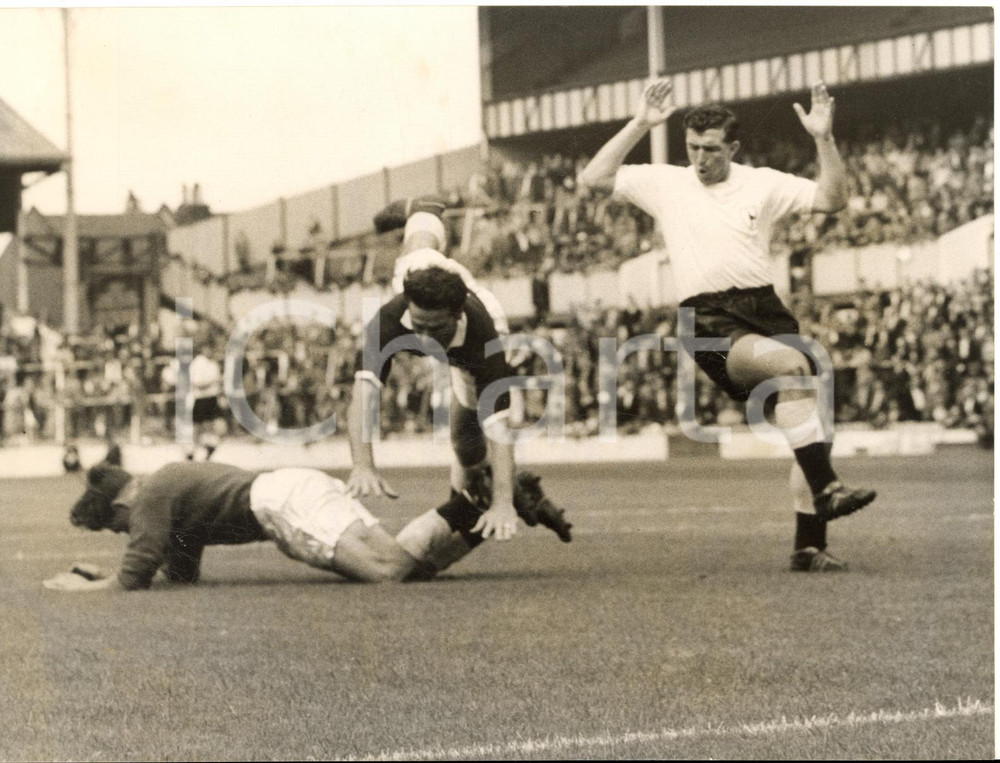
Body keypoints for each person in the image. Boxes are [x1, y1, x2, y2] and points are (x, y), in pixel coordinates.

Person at [578, 79, 876, 572]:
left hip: (764, 310)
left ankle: (808, 546)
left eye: (711, 149)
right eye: (692, 147)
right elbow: (592, 179)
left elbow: (832, 200)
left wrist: (823, 139)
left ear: (733, 148)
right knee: (791, 366)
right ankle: (827, 489)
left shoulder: (761, 183)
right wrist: (640, 124)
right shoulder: (666, 182)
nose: (699, 158)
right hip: (707, 321)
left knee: (818, 432)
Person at [346, 196, 572, 546]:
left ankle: (511, 491)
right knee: (418, 246)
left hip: (471, 345)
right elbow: (364, 391)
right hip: (425, 271)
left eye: (432, 329)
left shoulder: (484, 337)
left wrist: (502, 504)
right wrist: (363, 464)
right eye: (416, 325)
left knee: (465, 445)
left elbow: (500, 428)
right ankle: (422, 209)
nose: (421, 338)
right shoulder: (393, 316)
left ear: (456, 316)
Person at [43, 453, 563, 592]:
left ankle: (485, 499)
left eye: (117, 528)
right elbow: (179, 573)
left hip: (282, 508)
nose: (126, 535)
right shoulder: (170, 488)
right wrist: (101, 573)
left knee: (389, 573)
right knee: (408, 567)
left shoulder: (151, 492)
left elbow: (133, 577)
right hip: (297, 487)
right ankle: (483, 505)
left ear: (118, 505)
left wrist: (80, 586)